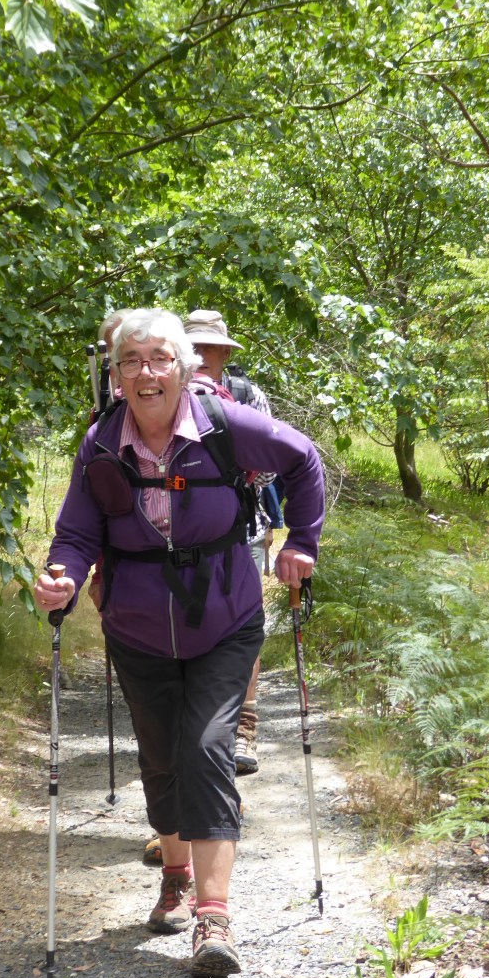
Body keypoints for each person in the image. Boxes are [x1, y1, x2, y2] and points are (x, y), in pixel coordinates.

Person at [34, 308, 324, 978]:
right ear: (115, 376)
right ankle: (175, 873)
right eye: (131, 361)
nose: (146, 372)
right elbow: (76, 534)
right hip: (136, 629)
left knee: (206, 750)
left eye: (160, 359)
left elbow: (303, 458)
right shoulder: (101, 443)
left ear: (184, 368)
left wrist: (302, 541)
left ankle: (213, 917)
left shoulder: (225, 425)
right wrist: (62, 581)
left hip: (225, 620)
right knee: (162, 760)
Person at [184, 309, 277, 776]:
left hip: (244, 533)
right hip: (178, 541)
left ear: (225, 352)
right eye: (192, 347)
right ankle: (198, 728)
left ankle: (244, 728)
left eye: (210, 347)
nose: (201, 355)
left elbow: (274, 465)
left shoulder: (247, 396)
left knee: (243, 629)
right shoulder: (161, 398)